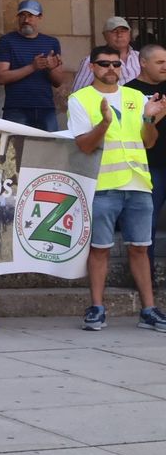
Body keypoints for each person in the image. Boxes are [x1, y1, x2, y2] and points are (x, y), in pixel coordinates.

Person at [72, 44, 166, 331]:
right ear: (92, 67)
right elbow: (83, 145)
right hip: (103, 185)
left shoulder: (136, 97)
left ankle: (149, 310)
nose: (111, 69)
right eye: (104, 64)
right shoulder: (80, 99)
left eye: (115, 64)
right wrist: (104, 123)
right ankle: (97, 307)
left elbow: (149, 141)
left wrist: (150, 119)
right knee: (100, 249)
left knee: (140, 247)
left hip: (138, 183)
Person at [0, 0, 69, 131]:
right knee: (16, 151)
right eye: (22, 15)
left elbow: (58, 82)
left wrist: (51, 69)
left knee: (49, 150)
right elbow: (1, 77)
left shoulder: (51, 43)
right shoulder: (7, 41)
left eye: (30, 16)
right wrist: (32, 67)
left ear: (40, 17)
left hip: (45, 108)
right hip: (16, 109)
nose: (26, 20)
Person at [127, 44, 166, 269]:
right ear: (143, 62)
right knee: (146, 224)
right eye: (159, 62)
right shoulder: (128, 92)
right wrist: (158, 113)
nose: (165, 67)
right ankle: (146, 277)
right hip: (149, 167)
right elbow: (132, 132)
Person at [73, 17, 142, 90]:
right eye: (114, 31)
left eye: (123, 31)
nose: (119, 35)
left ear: (129, 34)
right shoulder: (92, 59)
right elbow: (78, 91)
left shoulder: (140, 57)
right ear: (105, 35)